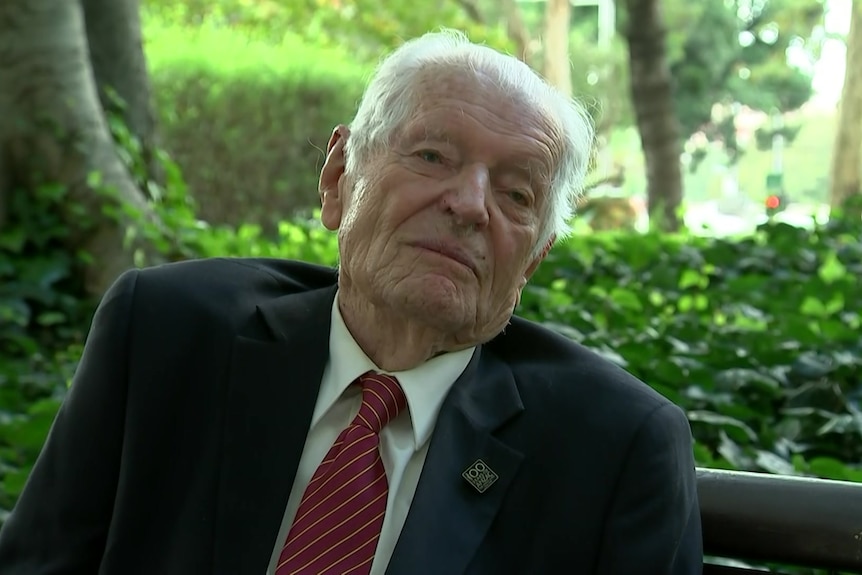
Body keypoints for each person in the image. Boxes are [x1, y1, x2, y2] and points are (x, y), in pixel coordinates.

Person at [0, 30, 702, 575]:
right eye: (432, 156)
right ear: (339, 176)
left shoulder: (612, 448)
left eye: (516, 194)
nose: (467, 205)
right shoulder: (165, 334)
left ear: (534, 256)